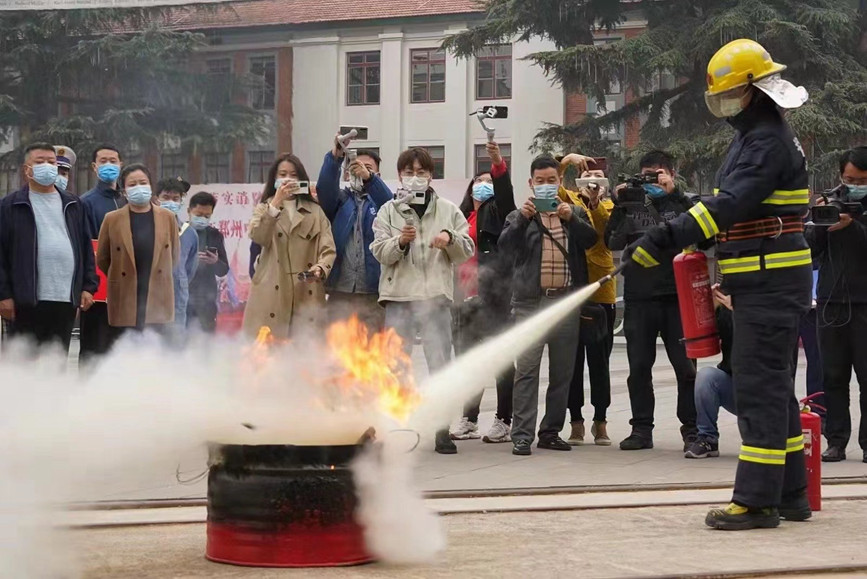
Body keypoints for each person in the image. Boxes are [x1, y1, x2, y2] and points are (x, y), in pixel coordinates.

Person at [629, 39, 813, 529]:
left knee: (757, 388)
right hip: (762, 277)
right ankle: (791, 492)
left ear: (757, 89)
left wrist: (667, 234)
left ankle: (756, 501)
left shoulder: (766, 141)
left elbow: (727, 205)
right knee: (773, 387)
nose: (727, 106)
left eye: (734, 94)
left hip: (770, 278)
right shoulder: (756, 135)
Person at [371, 147, 474, 455]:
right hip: (399, 297)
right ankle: (397, 426)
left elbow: (466, 249)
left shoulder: (447, 209)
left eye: (421, 172)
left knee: (440, 362)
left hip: (435, 298)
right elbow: (378, 251)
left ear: (431, 176)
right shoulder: (389, 210)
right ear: (400, 175)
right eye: (409, 172)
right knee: (395, 365)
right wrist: (399, 241)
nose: (415, 178)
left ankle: (442, 429)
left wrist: (450, 240)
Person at [498, 155, 598, 456]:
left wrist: (572, 218)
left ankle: (551, 431)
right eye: (539, 181)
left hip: (564, 303)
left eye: (551, 181)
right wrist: (522, 219)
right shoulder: (520, 215)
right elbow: (504, 247)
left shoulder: (573, 211)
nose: (545, 186)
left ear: (559, 183)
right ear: (531, 183)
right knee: (526, 371)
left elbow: (592, 241)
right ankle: (522, 435)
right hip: (529, 305)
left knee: (562, 372)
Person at [605, 150, 698, 452]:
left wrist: (676, 193)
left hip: (677, 298)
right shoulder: (631, 203)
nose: (651, 180)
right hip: (639, 298)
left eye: (657, 174)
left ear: (671, 173)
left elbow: (706, 234)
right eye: (646, 174)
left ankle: (692, 430)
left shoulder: (683, 203)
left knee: (686, 368)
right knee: (640, 368)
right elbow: (611, 242)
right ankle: (641, 429)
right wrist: (619, 204)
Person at [449, 141, 517, 444]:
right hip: (463, 298)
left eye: (489, 181)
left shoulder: (498, 212)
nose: (484, 185)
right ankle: (470, 418)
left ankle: (504, 420)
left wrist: (497, 166)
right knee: (468, 361)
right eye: (480, 180)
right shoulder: (461, 216)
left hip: (493, 296)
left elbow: (505, 195)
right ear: (470, 187)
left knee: (500, 360)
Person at [0, 143, 97, 352]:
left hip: (65, 299)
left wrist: (88, 287)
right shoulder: (10, 206)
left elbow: (85, 248)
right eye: (40, 162)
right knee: (24, 362)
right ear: (27, 169)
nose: (48, 166)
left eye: (51, 162)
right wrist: (3, 294)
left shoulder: (74, 204)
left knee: (56, 361)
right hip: (25, 300)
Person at [806, 146, 867, 464]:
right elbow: (810, 247)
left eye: (859, 179)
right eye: (847, 178)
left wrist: (853, 225)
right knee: (832, 376)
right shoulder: (832, 200)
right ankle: (836, 441)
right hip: (830, 303)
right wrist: (818, 220)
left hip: (864, 304)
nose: (852, 183)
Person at [243, 154, 336, 339]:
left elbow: (328, 249)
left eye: (293, 175)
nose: (288, 179)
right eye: (283, 174)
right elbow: (258, 236)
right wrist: (275, 204)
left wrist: (319, 269)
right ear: (274, 179)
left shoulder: (315, 211)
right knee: (270, 351)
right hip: (272, 290)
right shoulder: (264, 208)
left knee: (305, 351)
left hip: (306, 288)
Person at [559, 153, 615, 446]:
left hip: (602, 293)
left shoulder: (607, 206)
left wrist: (595, 203)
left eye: (598, 179)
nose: (592, 183)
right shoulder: (568, 201)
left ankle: (601, 421)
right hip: (572, 290)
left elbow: (604, 234)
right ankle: (576, 421)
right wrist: (566, 160)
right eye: (587, 178)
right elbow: (549, 184)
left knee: (600, 364)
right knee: (573, 363)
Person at [317, 139, 392, 331]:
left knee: (372, 353)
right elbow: (324, 189)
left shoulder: (384, 203)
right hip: (341, 290)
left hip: (373, 292)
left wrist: (370, 180)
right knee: (337, 352)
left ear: (378, 175)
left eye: (368, 168)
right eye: (355, 167)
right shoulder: (340, 201)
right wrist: (335, 157)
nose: (360, 171)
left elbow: (389, 203)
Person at [97, 164, 180, 336]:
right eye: (132, 184)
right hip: (125, 292)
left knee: (155, 350)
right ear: (124, 191)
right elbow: (103, 258)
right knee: (127, 349)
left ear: (150, 186)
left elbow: (173, 255)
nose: (138, 188)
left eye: (143, 182)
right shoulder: (112, 219)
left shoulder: (168, 217)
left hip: (158, 292)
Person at [80, 144, 125, 363]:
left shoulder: (128, 200)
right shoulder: (86, 202)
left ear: (121, 165)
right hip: (98, 291)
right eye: (103, 161)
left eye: (113, 161)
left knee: (122, 350)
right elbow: (87, 247)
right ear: (94, 167)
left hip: (126, 291)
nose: (109, 165)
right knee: (95, 349)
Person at [685, 285, 734, 459]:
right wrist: (708, 307)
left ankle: (762, 434)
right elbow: (702, 338)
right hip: (735, 385)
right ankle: (707, 439)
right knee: (706, 377)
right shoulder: (727, 304)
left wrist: (743, 312)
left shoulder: (768, 300)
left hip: (763, 390)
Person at [153, 177, 198, 332]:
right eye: (166, 197)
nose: (171, 202)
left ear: (181, 202)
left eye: (175, 199)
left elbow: (190, 269)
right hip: (149, 300)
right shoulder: (146, 227)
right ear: (156, 199)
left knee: (175, 345)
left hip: (177, 299)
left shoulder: (189, 233)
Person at [186, 192, 229, 333]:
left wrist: (215, 261)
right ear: (189, 211)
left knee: (206, 341)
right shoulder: (179, 233)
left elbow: (223, 270)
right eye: (198, 215)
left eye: (207, 216)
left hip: (207, 300)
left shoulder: (215, 235)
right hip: (184, 297)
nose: (202, 219)